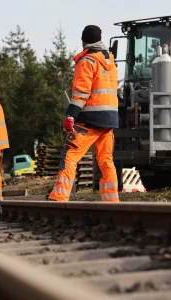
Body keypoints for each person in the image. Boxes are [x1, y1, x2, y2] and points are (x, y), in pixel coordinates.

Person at [48, 25, 120, 203]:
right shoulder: (111, 63)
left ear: (84, 41)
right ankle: (111, 201)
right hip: (110, 120)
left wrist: (71, 115)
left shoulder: (87, 61)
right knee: (106, 161)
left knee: (70, 154)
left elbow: (81, 93)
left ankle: (59, 197)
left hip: (90, 120)